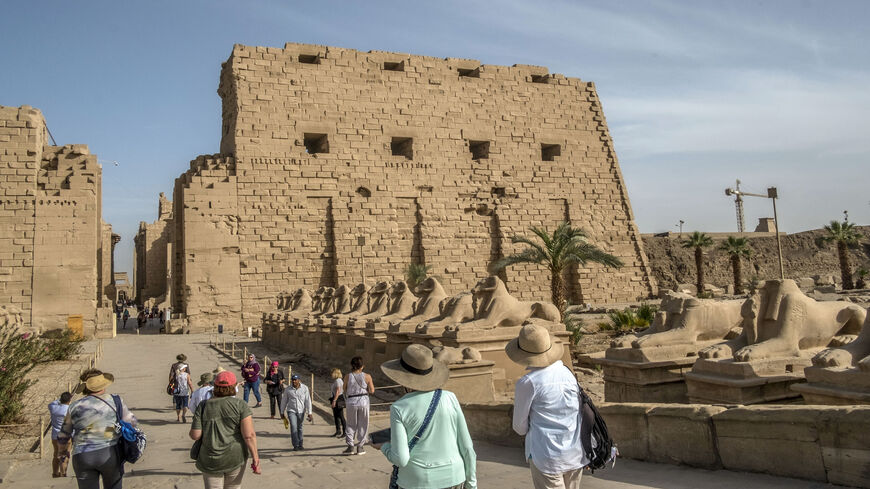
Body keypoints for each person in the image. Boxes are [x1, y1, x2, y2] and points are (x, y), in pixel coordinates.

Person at [373, 344, 477, 489]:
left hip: (416, 481)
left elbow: (401, 459)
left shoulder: (399, 407)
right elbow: (467, 447)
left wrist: (384, 447)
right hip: (454, 477)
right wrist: (471, 484)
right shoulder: (450, 398)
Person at [506, 323, 587, 489]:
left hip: (547, 455)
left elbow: (519, 427)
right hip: (574, 452)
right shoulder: (567, 373)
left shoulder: (528, 383)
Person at [57, 369, 137, 489]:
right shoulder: (115, 400)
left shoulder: (74, 406)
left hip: (82, 455)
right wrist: (109, 429)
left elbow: (63, 435)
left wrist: (62, 453)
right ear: (103, 385)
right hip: (109, 453)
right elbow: (132, 422)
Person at [190, 371, 261, 488]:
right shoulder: (240, 405)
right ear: (234, 386)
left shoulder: (203, 406)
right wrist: (255, 458)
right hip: (235, 457)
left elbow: (195, 435)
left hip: (210, 459)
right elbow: (249, 436)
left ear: (215, 386)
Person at [343, 356, 374, 455]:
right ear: (362, 366)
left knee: (351, 424)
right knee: (363, 423)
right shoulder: (367, 376)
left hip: (351, 401)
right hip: (363, 401)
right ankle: (360, 446)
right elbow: (372, 390)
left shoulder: (348, 376)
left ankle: (350, 446)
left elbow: (344, 389)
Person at [279, 374, 312, 451]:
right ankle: (295, 445)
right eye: (293, 380)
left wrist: (309, 412)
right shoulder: (288, 389)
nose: (294, 381)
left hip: (301, 411)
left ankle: (300, 444)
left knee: (299, 427)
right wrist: (281, 412)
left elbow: (308, 401)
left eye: (295, 380)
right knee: (293, 426)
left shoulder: (305, 388)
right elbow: (284, 401)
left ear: (299, 380)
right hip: (291, 411)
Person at [48, 392, 73, 478]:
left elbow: (52, 403)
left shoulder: (53, 407)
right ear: (69, 400)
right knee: (64, 455)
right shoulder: (69, 409)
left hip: (55, 435)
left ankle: (55, 473)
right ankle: (63, 473)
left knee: (55, 454)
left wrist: (60, 399)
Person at [329, 368, 346, 438]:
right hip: (336, 397)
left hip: (338, 398)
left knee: (341, 416)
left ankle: (345, 432)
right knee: (336, 416)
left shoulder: (338, 381)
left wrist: (334, 401)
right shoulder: (336, 381)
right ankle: (338, 430)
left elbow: (338, 391)